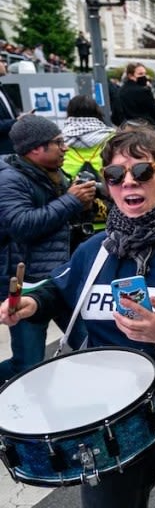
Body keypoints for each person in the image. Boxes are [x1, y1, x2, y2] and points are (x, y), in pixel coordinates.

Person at [0, 127, 155, 507]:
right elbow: (60, 287)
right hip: (106, 415)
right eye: (114, 175)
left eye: (142, 171)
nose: (127, 181)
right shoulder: (97, 248)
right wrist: (32, 304)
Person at [0, 116, 96, 382]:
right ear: (35, 149)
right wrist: (71, 201)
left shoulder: (52, 173)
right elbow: (22, 225)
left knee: (94, 347)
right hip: (28, 283)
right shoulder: (9, 180)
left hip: (60, 278)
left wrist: (81, 207)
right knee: (27, 365)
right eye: (57, 142)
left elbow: (57, 223)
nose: (64, 147)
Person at [61, 95, 115, 250]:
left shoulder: (60, 139)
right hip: (107, 200)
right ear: (97, 112)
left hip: (74, 201)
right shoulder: (112, 137)